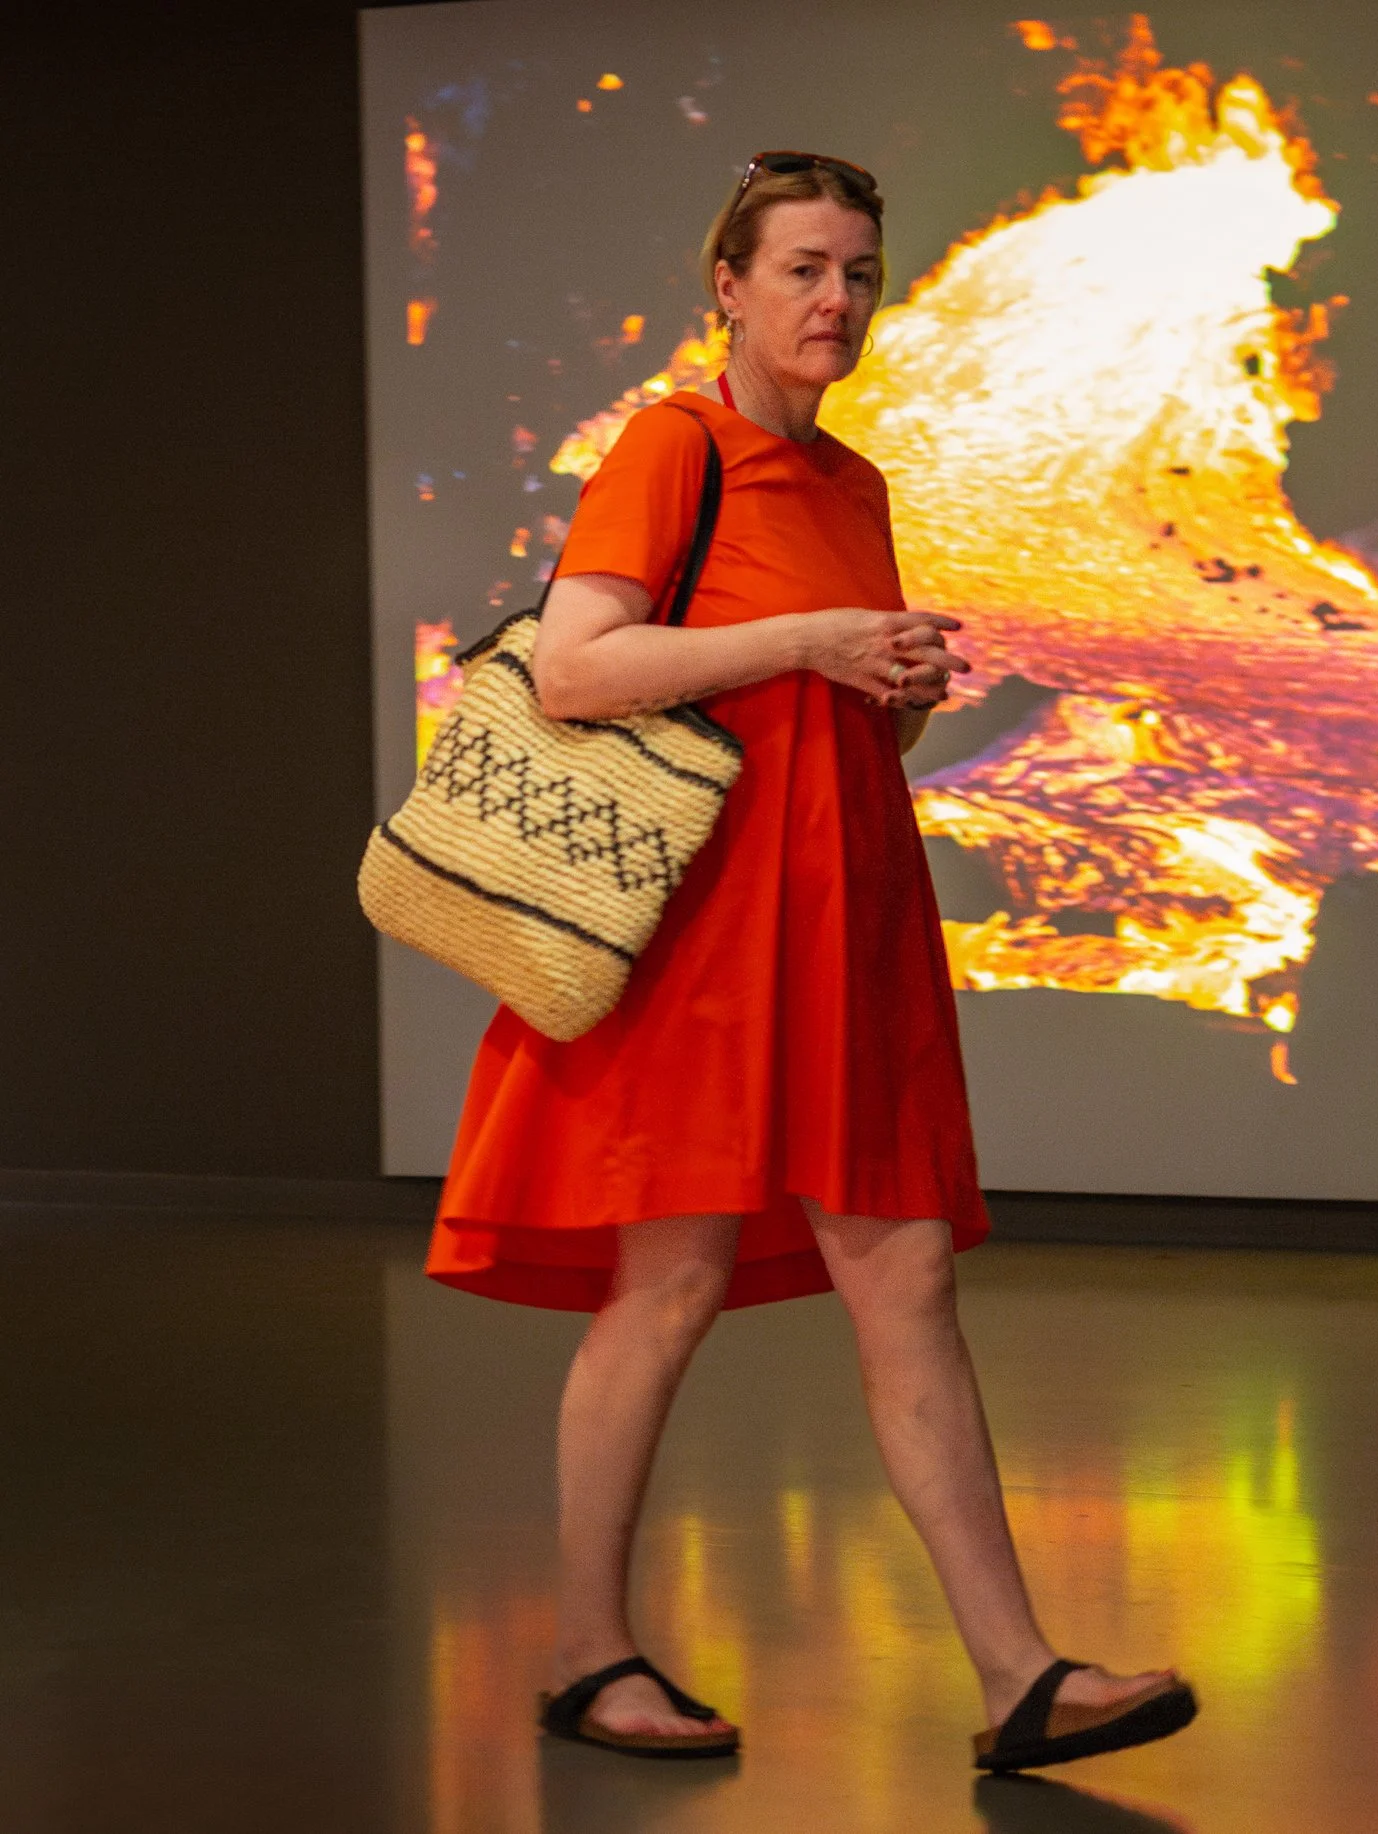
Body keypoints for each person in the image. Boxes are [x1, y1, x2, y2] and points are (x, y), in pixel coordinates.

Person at [425, 151, 1195, 1772]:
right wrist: (806, 642)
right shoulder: (669, 443)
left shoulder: (855, 487)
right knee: (670, 1285)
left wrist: (896, 685)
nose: (836, 298)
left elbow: (841, 728)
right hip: (706, 936)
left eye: (858, 269)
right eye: (802, 269)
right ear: (730, 283)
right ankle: (587, 1653)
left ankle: (1018, 1677)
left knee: (903, 1272)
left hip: (845, 920)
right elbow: (574, 666)